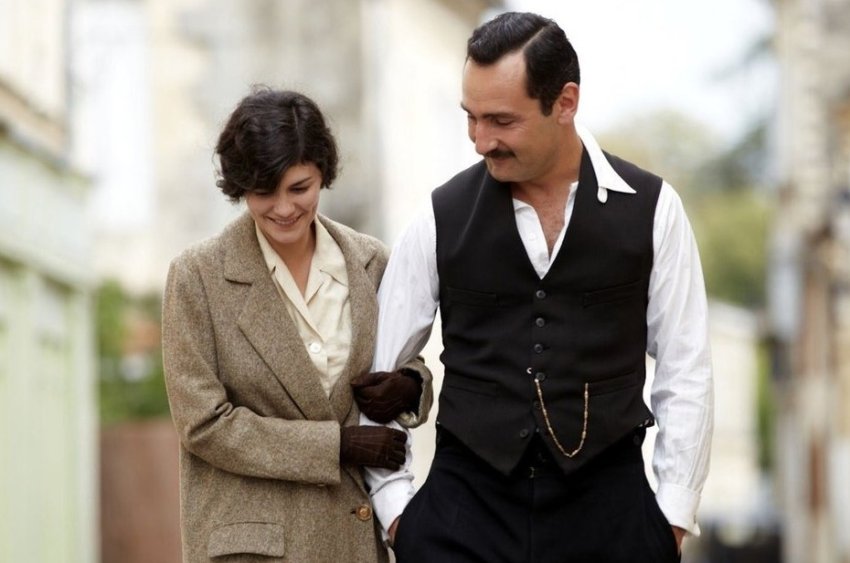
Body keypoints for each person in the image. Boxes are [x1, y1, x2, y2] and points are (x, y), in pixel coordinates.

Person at [365, 11, 714, 563]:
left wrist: (670, 518)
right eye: (471, 118)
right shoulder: (439, 217)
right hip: (462, 522)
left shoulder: (654, 211)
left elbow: (685, 369)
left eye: (501, 121)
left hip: (612, 522)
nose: (481, 141)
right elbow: (379, 373)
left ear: (565, 102)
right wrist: (398, 515)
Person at [161, 87, 431, 563]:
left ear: (322, 173)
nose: (284, 209)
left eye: (299, 188)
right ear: (239, 186)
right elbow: (203, 424)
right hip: (252, 550)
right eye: (263, 192)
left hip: (352, 542)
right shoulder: (196, 277)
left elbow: (408, 358)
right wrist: (336, 446)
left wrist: (410, 387)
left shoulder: (372, 263)